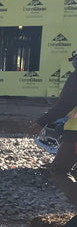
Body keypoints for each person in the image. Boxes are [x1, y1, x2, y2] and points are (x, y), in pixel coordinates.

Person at [36, 50, 77, 208]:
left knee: (59, 171)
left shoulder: (75, 77)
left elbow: (64, 104)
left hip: (75, 135)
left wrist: (42, 121)